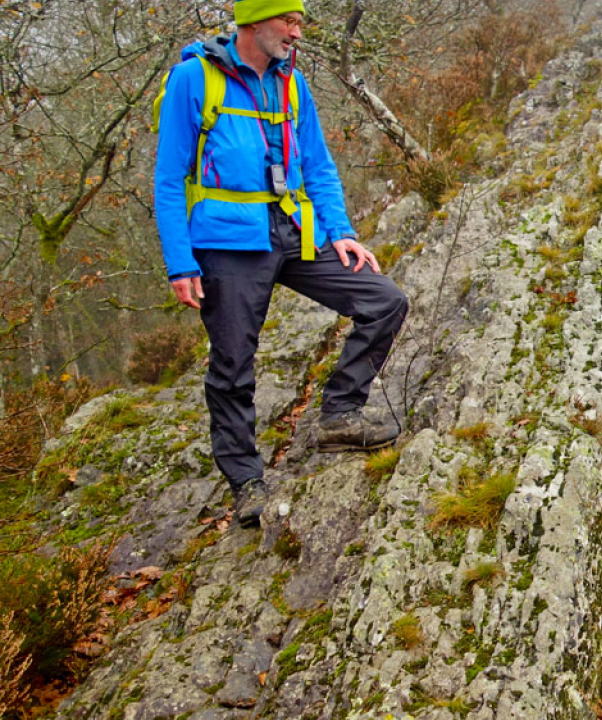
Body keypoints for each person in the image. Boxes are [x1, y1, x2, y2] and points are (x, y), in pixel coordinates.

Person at [153, 0, 408, 528]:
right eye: (288, 22)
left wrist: (341, 234)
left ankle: (339, 414)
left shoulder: (293, 82)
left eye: (299, 22)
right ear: (254, 21)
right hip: (225, 243)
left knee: (385, 300)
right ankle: (246, 483)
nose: (297, 32)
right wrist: (181, 263)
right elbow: (168, 177)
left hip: (292, 229)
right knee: (232, 367)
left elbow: (317, 163)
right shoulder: (193, 78)